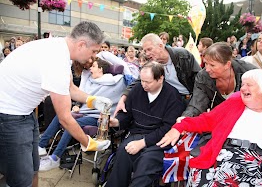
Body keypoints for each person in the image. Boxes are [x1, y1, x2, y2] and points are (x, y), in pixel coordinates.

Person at [0, 21, 111, 187]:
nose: (93, 57)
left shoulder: (60, 48)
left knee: (33, 169)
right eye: (94, 51)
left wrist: (92, 100)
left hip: (25, 113)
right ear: (81, 44)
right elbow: (65, 118)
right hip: (9, 116)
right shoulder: (56, 60)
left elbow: (70, 88)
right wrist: (88, 142)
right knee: (21, 180)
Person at [157, 69, 262, 186]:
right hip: (223, 156)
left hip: (261, 164)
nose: (243, 88)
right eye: (242, 84)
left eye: (249, 85)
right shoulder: (235, 101)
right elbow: (206, 120)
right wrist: (179, 127)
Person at [106, 61, 185, 187]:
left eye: (147, 82)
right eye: (142, 80)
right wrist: (116, 122)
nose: (143, 85)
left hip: (160, 140)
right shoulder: (137, 90)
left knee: (146, 163)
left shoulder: (173, 97)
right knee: (122, 154)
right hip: (137, 132)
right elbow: (127, 114)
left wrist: (143, 143)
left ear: (160, 79)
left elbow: (167, 128)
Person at [38, 57, 125, 171]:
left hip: (97, 117)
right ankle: (41, 145)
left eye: (93, 66)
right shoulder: (90, 80)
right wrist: (77, 106)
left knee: (72, 123)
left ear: (101, 69)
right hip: (85, 112)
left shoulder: (116, 82)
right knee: (61, 116)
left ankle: (56, 157)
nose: (90, 69)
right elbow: (82, 96)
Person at [113, 33, 201, 117]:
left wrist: (194, 107)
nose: (147, 54)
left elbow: (200, 82)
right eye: (144, 51)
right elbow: (139, 81)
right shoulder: (152, 64)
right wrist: (123, 98)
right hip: (171, 101)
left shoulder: (183, 55)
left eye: (149, 49)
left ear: (160, 45)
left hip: (191, 100)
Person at [182, 42, 256, 117]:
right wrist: (185, 118)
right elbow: (197, 104)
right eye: (206, 63)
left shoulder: (251, 73)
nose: (207, 69)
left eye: (212, 65)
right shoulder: (203, 76)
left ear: (227, 65)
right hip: (217, 120)